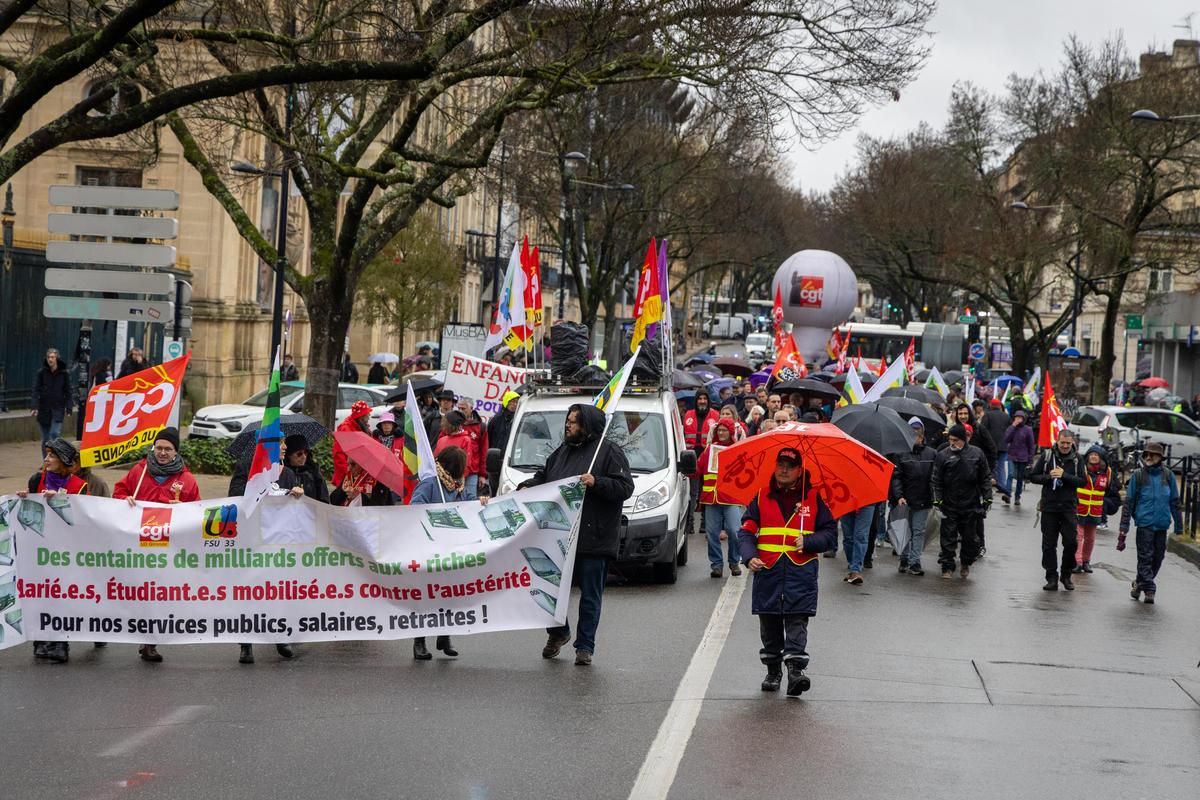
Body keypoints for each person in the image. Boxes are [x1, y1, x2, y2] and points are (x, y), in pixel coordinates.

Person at [520, 405, 634, 666]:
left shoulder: (609, 452)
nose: (568, 426)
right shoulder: (562, 452)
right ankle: (559, 632)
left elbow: (625, 487)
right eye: (567, 421)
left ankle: (585, 646)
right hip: (558, 538)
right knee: (548, 589)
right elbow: (544, 478)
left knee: (590, 596)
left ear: (587, 426)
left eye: (574, 422)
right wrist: (527, 487)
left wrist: (597, 482)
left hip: (594, 538)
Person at [737, 447, 838, 697]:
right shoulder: (761, 497)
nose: (784, 469)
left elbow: (830, 534)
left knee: (796, 621)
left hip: (800, 573)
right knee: (769, 624)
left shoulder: (813, 498)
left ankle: (795, 672)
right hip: (768, 571)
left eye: (790, 466)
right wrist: (749, 556)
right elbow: (747, 531)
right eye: (780, 464)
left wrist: (810, 541)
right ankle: (773, 671)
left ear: (799, 470)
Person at [112, 428, 200, 663]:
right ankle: (145, 638)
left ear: (175, 452)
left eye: (167, 449)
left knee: (159, 593)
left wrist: (184, 508)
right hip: (140, 545)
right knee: (142, 590)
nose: (162, 452)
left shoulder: (187, 480)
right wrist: (125, 499)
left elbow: (198, 512)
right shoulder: (139, 472)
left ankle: (150, 640)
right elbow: (119, 493)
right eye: (158, 448)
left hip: (168, 548)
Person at [408, 446, 486, 659]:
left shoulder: (459, 487)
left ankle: (444, 635)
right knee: (426, 594)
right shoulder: (430, 483)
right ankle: (419, 641)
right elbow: (415, 507)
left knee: (448, 592)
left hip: (451, 550)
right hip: (429, 549)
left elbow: (469, 505)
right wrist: (438, 515)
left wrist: (480, 502)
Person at [17, 438, 89, 663]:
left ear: (63, 461)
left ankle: (60, 643)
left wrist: (62, 501)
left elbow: (83, 518)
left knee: (60, 595)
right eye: (46, 455)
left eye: (51, 456)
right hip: (39, 548)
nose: (46, 460)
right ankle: (41, 641)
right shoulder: (37, 479)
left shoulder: (79, 485)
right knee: (40, 593)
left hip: (64, 551)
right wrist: (24, 499)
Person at [1118, 441, 1182, 604]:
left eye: (1153, 455)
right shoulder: (1138, 476)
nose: (1148, 457)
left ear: (1160, 457)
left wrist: (1179, 526)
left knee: (1158, 558)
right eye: (1146, 454)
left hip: (1161, 524)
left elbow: (1175, 501)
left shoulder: (1168, 476)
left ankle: (1139, 583)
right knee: (1145, 557)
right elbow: (1129, 503)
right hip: (1144, 524)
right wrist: (1124, 527)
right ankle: (1149, 589)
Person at [1028, 428, 1086, 591]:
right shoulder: (1047, 456)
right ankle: (1051, 576)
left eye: (1068, 443)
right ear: (1057, 441)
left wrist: (1064, 476)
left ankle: (1066, 575)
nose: (1065, 446)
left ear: (1072, 443)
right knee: (1048, 545)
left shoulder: (1077, 459)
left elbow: (1083, 481)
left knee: (1070, 543)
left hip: (1068, 507)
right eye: (1063, 443)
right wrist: (1048, 477)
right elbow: (1033, 476)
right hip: (1049, 507)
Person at [932, 424, 991, 580]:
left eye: (955, 440)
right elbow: (936, 480)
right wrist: (937, 500)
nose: (952, 443)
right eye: (950, 440)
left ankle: (965, 562)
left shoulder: (977, 454)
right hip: (949, 504)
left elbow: (985, 477)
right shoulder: (943, 455)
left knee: (970, 538)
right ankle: (947, 566)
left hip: (970, 504)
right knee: (948, 538)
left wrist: (987, 497)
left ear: (963, 439)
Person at [891, 418, 937, 576]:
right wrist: (899, 496)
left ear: (922, 437)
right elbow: (896, 476)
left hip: (923, 499)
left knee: (918, 531)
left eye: (917, 435)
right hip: (906, 500)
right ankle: (904, 558)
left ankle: (915, 561)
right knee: (906, 530)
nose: (914, 438)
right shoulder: (901, 454)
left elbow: (935, 477)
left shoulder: (932, 454)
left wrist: (934, 496)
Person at [698, 418, 743, 577]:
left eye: (724, 430)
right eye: (719, 430)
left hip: (731, 498)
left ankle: (734, 561)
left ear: (731, 432)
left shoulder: (737, 450)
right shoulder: (709, 450)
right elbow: (698, 469)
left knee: (734, 530)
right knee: (712, 533)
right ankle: (716, 565)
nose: (721, 433)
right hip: (711, 498)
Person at [1074, 446, 1117, 575]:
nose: (1093, 457)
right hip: (1079, 509)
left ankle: (1086, 561)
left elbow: (1112, 490)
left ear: (1101, 458)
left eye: (1096, 455)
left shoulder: (1107, 472)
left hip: (1095, 511)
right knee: (1078, 537)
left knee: (1090, 538)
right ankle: (1078, 562)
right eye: (1091, 454)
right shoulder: (1081, 469)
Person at [32, 347, 73, 449]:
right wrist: (34, 406)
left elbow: (68, 391)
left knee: (54, 433)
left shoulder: (64, 374)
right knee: (46, 439)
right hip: (44, 409)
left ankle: (57, 458)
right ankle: (47, 462)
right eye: (48, 357)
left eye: (53, 357)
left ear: (57, 359)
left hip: (57, 408)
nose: (50, 359)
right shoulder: (41, 373)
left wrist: (69, 407)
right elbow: (36, 390)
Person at [453, 399, 490, 499]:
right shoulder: (454, 424)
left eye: (463, 408)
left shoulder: (480, 427)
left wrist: (482, 475)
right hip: (454, 470)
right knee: (453, 500)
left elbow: (484, 451)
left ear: (471, 409)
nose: (460, 411)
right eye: (459, 408)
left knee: (470, 499)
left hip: (472, 471)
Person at [332, 400, 373, 486]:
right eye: (367, 415)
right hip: (349, 477)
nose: (369, 417)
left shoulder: (362, 427)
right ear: (361, 416)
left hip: (359, 474)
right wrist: (347, 475)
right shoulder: (346, 429)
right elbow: (339, 454)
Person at [1003, 409, 1036, 506]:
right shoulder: (1011, 428)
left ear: (1023, 419)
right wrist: (1013, 426)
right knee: (1010, 474)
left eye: (1020, 418)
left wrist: (1030, 459)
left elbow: (1031, 445)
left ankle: (1017, 497)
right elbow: (1006, 439)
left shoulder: (1028, 429)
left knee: (1020, 478)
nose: (1018, 419)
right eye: (1016, 417)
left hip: (1023, 457)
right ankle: (1007, 494)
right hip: (1012, 455)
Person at [76, 357, 113, 439]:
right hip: (101, 400)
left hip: (94, 399)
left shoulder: (95, 373)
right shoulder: (103, 375)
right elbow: (108, 385)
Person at [983, 398, 1012, 501]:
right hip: (1003, 445)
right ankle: (1002, 485)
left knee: (991, 465)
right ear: (1000, 406)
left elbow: (983, 429)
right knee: (1001, 466)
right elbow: (1010, 429)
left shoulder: (987, 415)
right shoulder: (1006, 416)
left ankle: (992, 483)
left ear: (991, 405)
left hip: (991, 445)